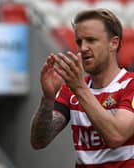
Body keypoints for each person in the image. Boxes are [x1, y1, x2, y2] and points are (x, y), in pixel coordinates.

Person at [30, 8, 134, 167]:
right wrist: (48, 99)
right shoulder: (71, 89)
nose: (83, 47)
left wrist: (79, 89)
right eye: (79, 42)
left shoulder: (130, 85)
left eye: (91, 40)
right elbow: (38, 141)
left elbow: (116, 136)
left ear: (114, 43)